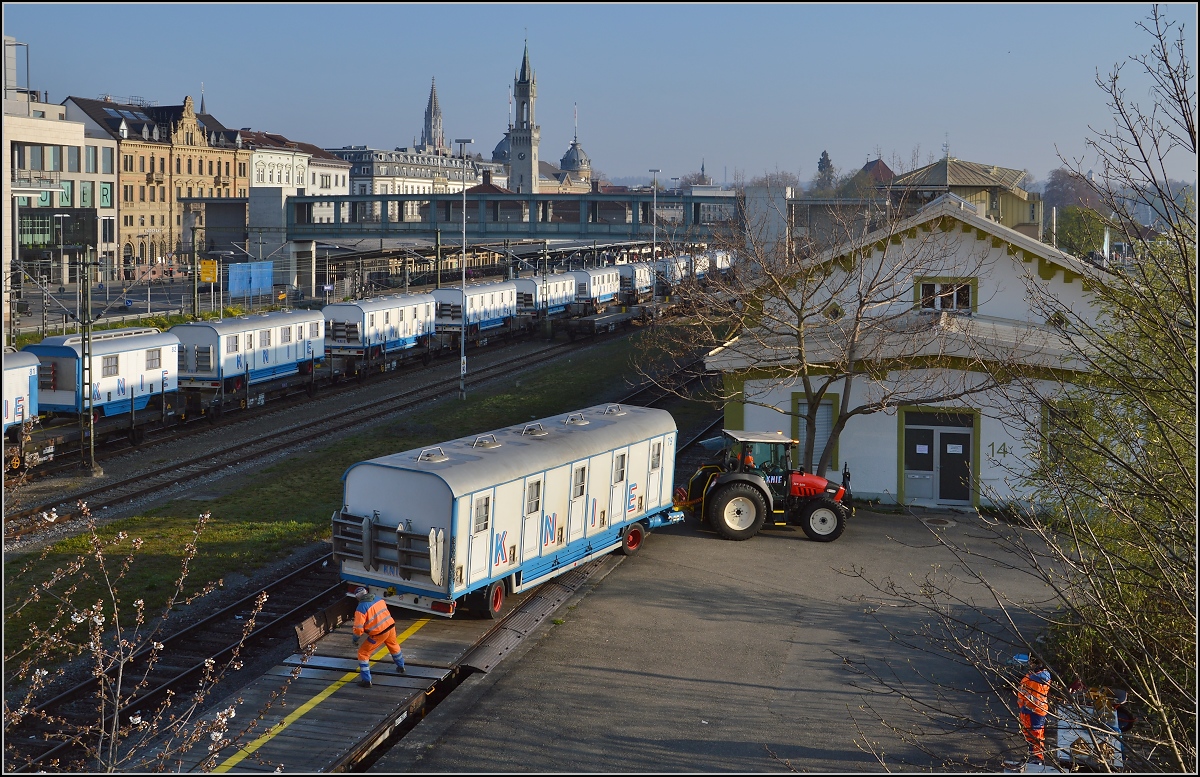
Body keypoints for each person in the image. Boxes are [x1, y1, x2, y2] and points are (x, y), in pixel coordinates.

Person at [350, 586, 405, 687]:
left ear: (357, 598)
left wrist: (355, 639)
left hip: (378, 634)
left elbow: (358, 629)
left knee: (363, 654)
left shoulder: (360, 609)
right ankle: (401, 666)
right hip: (390, 627)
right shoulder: (379, 599)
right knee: (393, 646)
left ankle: (366, 681)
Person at [1017, 656, 1052, 764]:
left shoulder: (1040, 676)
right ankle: (1032, 755)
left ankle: (1037, 757)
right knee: (1029, 734)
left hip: (1035, 710)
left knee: (1036, 734)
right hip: (1028, 709)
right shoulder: (1033, 675)